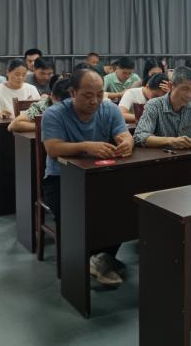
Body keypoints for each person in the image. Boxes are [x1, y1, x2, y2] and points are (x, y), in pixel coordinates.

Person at [42, 68, 133, 287]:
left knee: (126, 206)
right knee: (79, 214)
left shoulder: (109, 109)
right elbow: (53, 148)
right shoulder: (54, 114)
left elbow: (124, 135)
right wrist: (85, 146)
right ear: (73, 92)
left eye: (100, 94)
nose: (95, 101)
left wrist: (126, 143)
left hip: (100, 176)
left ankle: (101, 257)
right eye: (88, 95)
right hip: (61, 180)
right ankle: (87, 260)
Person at [134, 66, 191, 149]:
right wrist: (170, 141)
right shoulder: (154, 105)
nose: (189, 95)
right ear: (171, 86)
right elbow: (140, 136)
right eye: (184, 89)